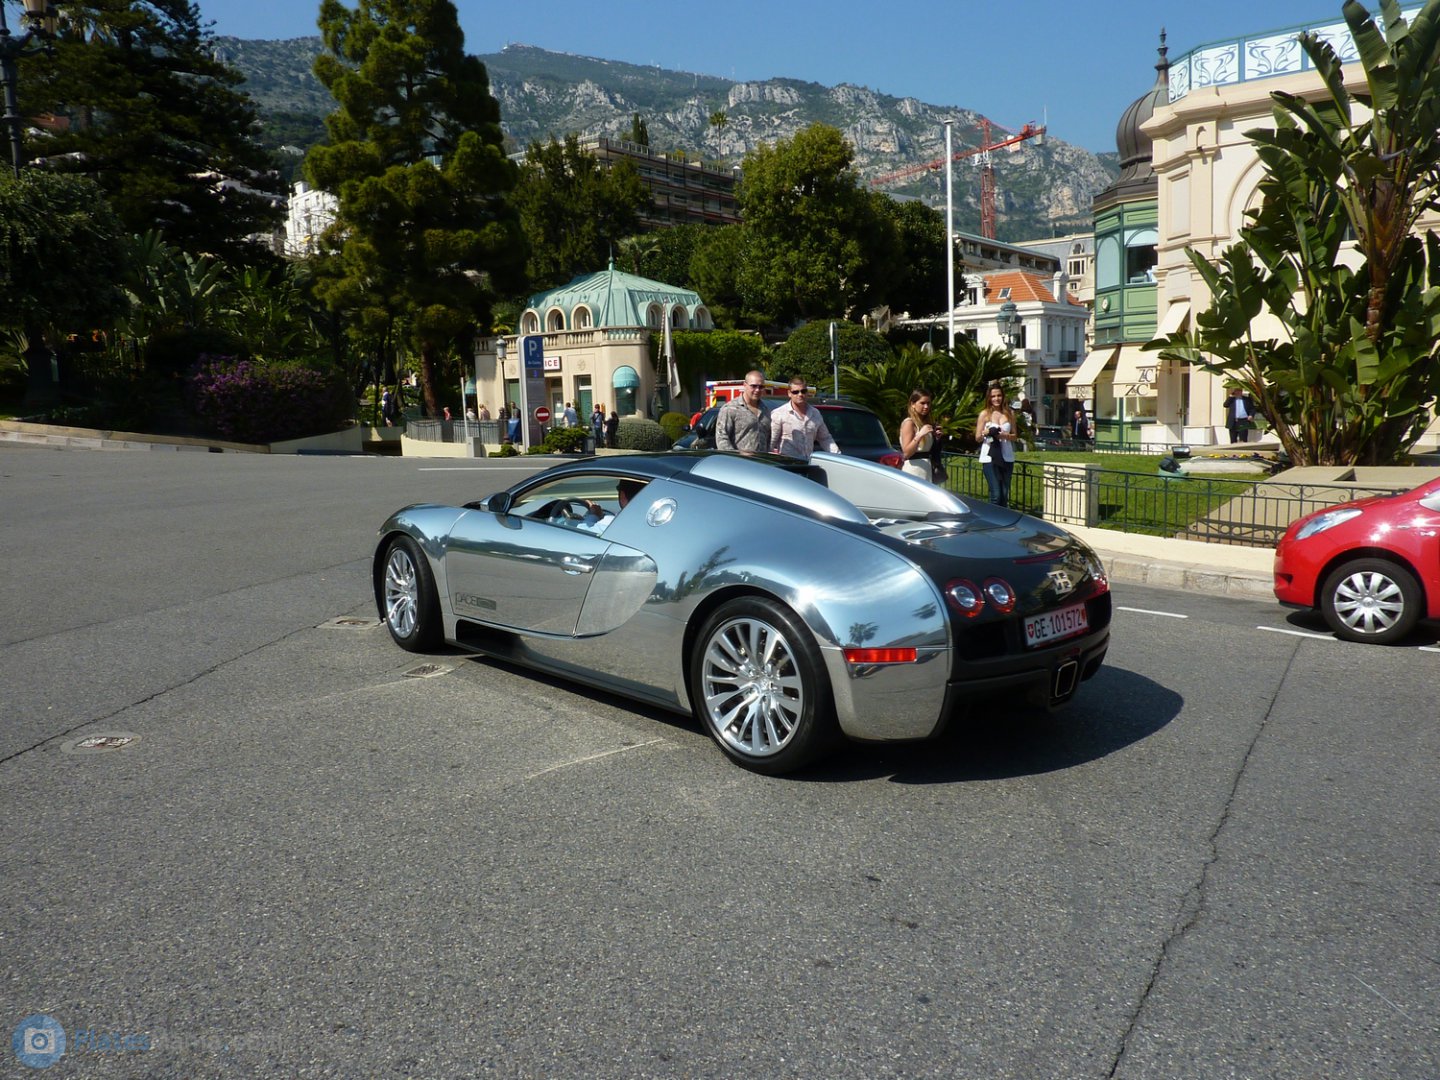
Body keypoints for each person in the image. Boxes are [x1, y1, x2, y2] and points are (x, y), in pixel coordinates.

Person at [769, 377, 839, 461]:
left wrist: (838, 457)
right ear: (789, 393)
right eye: (795, 392)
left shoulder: (815, 413)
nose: (800, 394)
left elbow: (825, 438)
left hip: (808, 464)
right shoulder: (779, 413)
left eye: (803, 391)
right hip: (787, 466)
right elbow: (771, 442)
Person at [975, 383, 1018, 507]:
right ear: (989, 398)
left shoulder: (1010, 413)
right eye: (993, 396)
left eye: (999, 395)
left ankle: (1003, 521)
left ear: (1003, 397)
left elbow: (1015, 436)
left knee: (1004, 494)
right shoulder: (984, 414)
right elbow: (977, 437)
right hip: (990, 457)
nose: (996, 399)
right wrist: (986, 433)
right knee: (996, 494)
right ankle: (993, 520)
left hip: (1007, 457)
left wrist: (1005, 436)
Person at [715, 370, 772, 453]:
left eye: (761, 387)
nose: (757, 390)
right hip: (739, 464)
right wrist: (735, 459)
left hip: (761, 463)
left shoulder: (765, 410)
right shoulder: (730, 408)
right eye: (753, 386)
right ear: (745, 385)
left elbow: (768, 438)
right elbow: (722, 438)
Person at [899, 389, 938, 483]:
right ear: (913, 404)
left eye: (928, 403)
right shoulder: (909, 423)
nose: (926, 406)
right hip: (914, 469)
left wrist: (936, 437)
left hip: (926, 469)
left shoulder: (926, 423)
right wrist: (920, 435)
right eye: (922, 403)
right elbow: (906, 453)